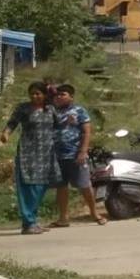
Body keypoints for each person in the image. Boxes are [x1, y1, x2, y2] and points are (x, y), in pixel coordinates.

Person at [0, 82, 61, 235]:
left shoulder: (51, 109)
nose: (34, 96)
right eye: (32, 93)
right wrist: (6, 133)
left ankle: (32, 220)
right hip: (28, 152)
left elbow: (58, 126)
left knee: (42, 186)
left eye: (38, 93)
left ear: (45, 95)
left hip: (47, 153)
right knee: (28, 187)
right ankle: (28, 223)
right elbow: (12, 123)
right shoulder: (23, 108)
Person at [52, 85, 106, 227]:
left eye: (63, 94)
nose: (59, 97)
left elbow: (86, 132)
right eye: (57, 95)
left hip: (75, 154)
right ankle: (63, 217)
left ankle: (94, 213)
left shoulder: (79, 111)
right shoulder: (52, 111)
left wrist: (83, 151)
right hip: (57, 156)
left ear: (71, 96)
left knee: (84, 185)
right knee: (61, 186)